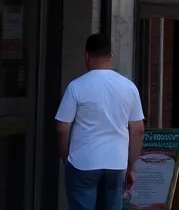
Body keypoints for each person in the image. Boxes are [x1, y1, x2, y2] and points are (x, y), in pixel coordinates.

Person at [55, 33, 145, 210]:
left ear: (86, 56)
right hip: (117, 162)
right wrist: (130, 167)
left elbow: (61, 127)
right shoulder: (129, 87)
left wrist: (65, 156)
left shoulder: (76, 86)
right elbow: (138, 129)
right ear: (111, 55)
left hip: (83, 161)